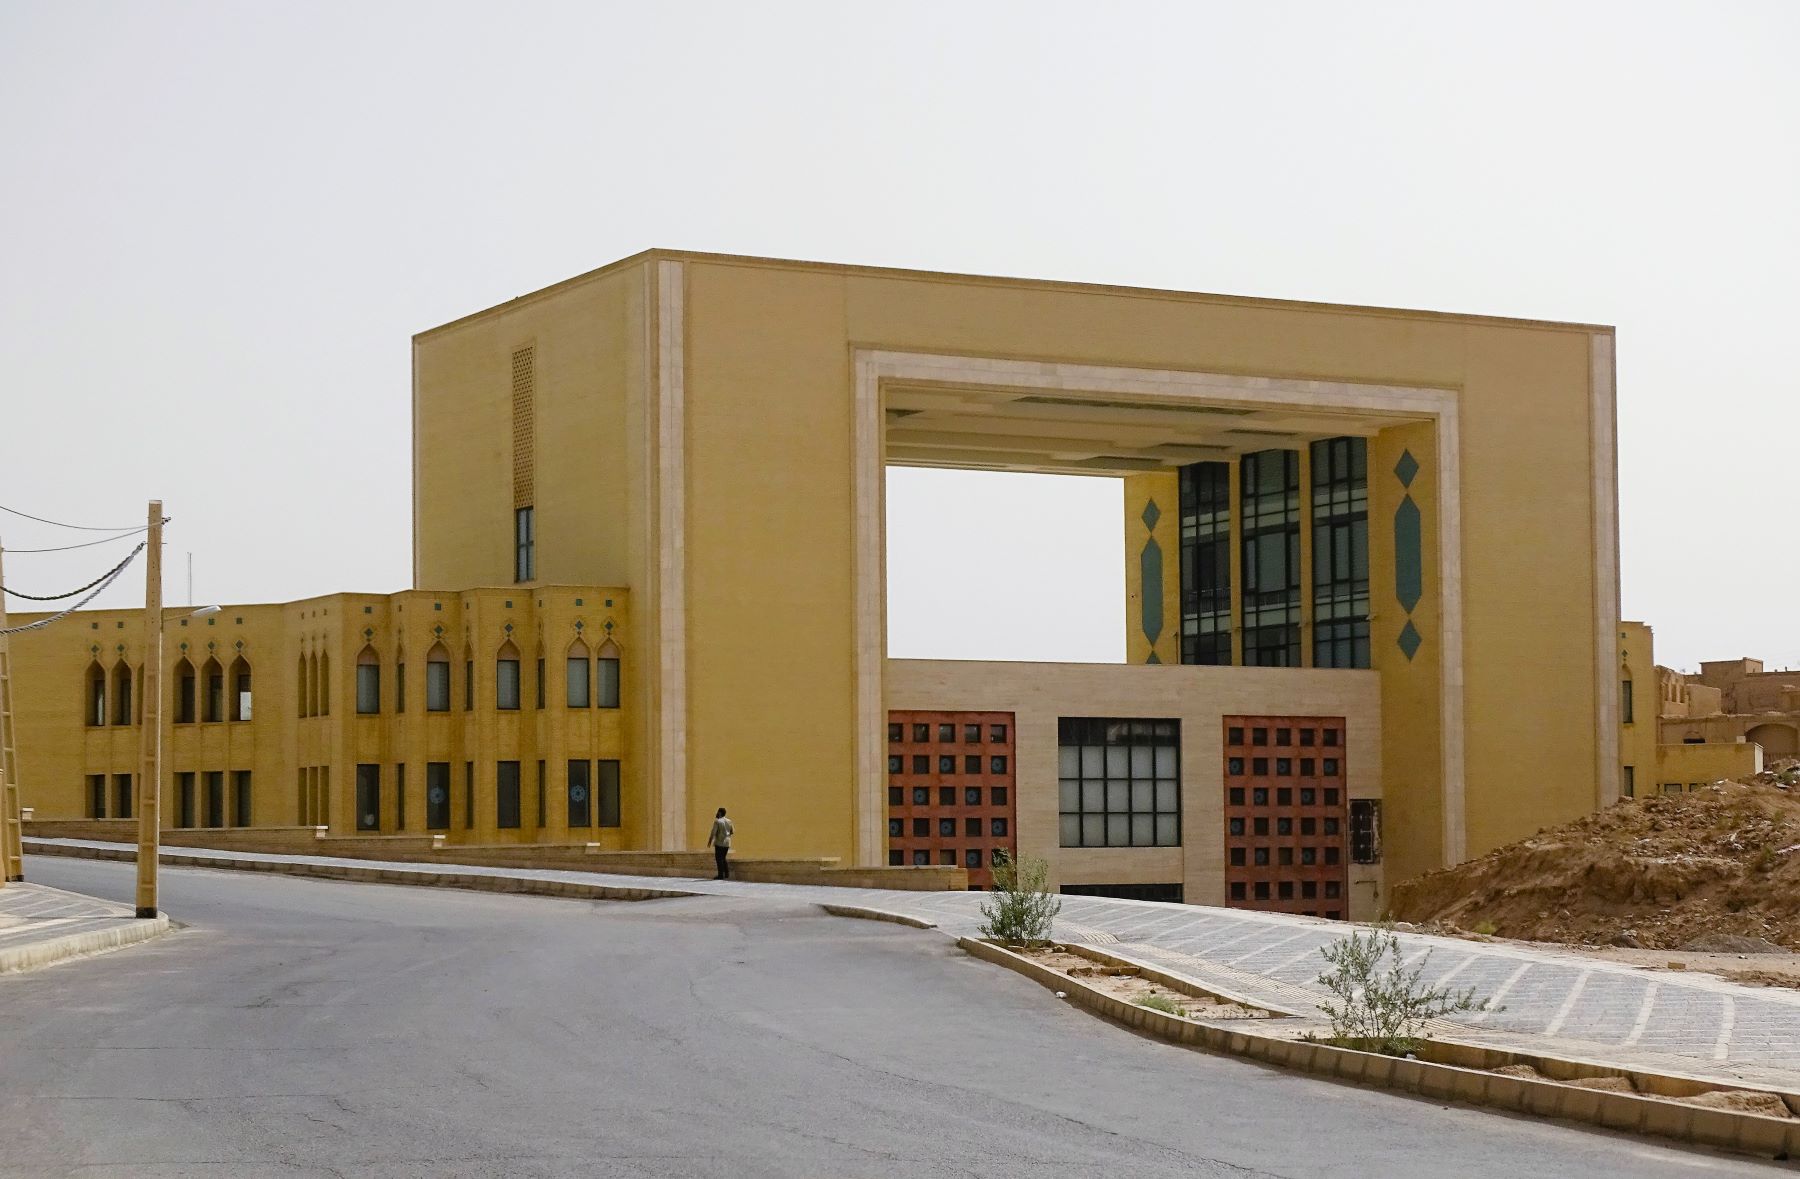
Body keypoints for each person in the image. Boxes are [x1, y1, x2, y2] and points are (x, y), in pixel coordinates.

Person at [706, 807, 734, 880]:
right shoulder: (729, 821)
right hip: (727, 843)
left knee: (719, 859)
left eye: (717, 812)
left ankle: (720, 875)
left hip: (719, 843)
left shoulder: (717, 821)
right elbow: (732, 831)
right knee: (723, 858)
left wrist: (709, 841)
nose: (716, 813)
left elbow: (713, 833)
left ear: (720, 813)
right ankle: (727, 873)